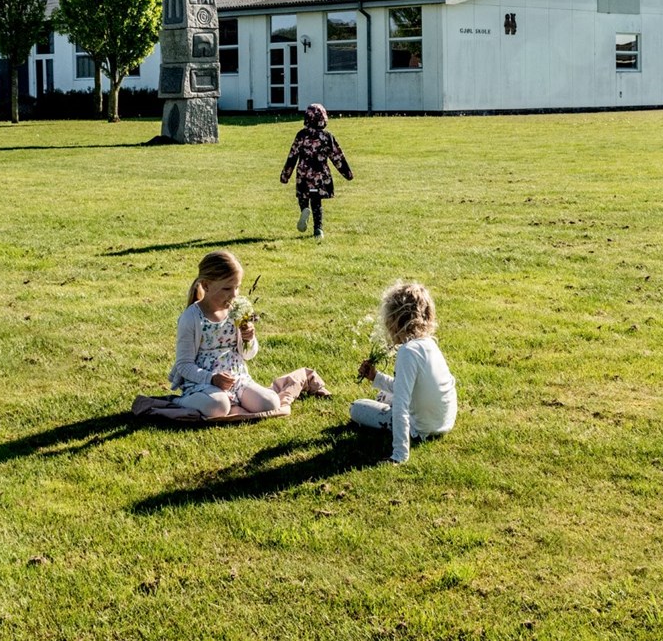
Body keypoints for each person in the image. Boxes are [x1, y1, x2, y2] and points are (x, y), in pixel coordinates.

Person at [169, 251, 327, 419]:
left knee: (271, 403)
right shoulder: (191, 318)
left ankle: (235, 401)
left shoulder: (236, 311)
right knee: (218, 406)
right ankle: (181, 401)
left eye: (237, 287)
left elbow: (248, 355)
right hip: (202, 384)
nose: (234, 294)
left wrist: (248, 339)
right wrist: (212, 379)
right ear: (206, 286)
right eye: (227, 288)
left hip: (237, 379)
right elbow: (184, 365)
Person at [351, 280, 457, 464]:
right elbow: (411, 388)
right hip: (442, 421)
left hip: (422, 427)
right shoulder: (429, 344)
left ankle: (403, 441)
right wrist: (376, 377)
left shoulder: (407, 351)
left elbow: (401, 405)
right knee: (382, 396)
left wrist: (399, 454)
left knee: (356, 407)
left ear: (394, 320)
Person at [281, 103, 353, 239]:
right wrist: (347, 174)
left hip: (303, 172)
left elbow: (292, 156)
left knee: (303, 196)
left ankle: (304, 210)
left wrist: (285, 175)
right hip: (320, 174)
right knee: (317, 202)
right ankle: (318, 229)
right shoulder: (327, 137)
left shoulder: (301, 135)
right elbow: (337, 157)